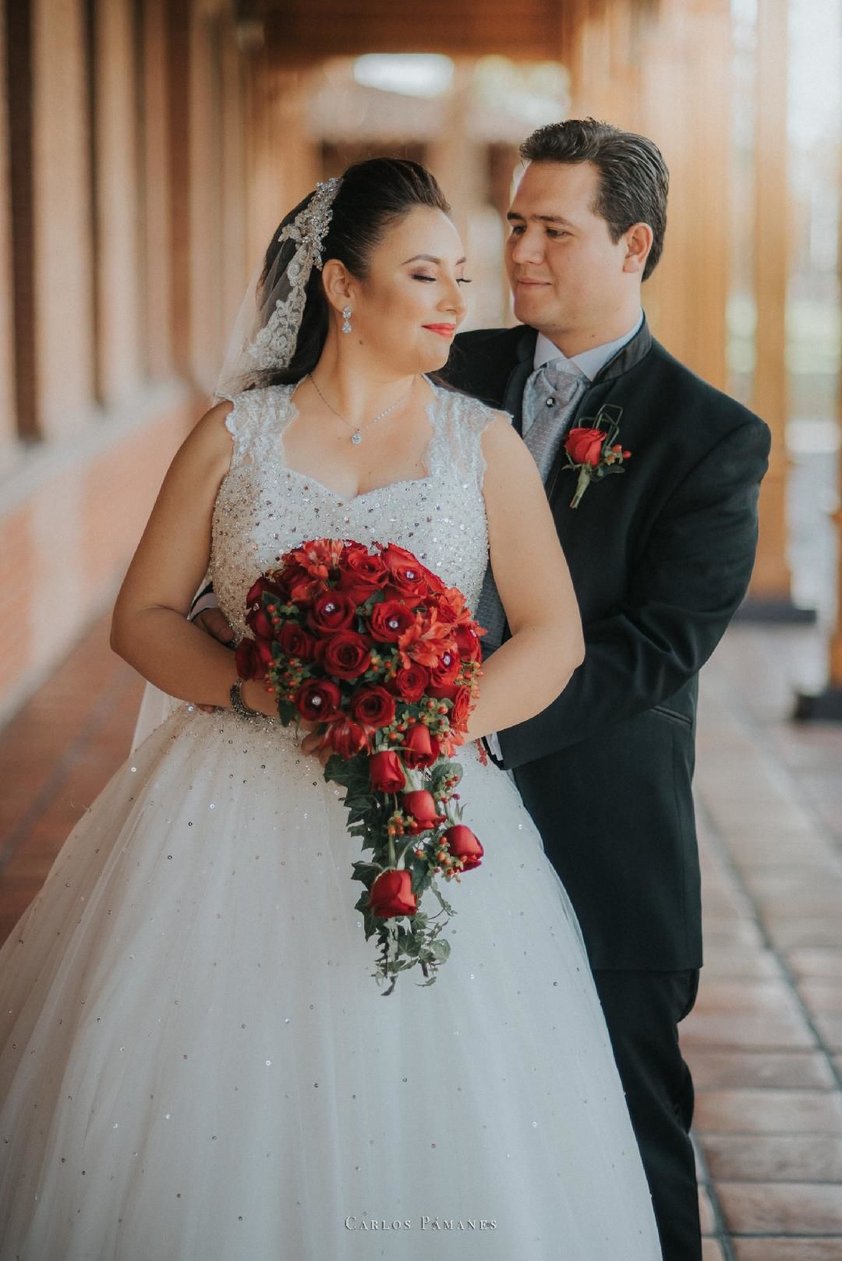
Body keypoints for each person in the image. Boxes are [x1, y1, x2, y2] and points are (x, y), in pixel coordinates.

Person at [0, 158, 663, 1259]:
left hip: (426, 795)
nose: (459, 298)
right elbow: (146, 616)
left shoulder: (478, 443)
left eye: (461, 273)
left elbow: (552, 634)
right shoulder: (234, 435)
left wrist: (440, 723)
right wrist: (251, 686)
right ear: (343, 290)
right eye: (425, 272)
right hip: (221, 807)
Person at [443, 120, 771, 1261]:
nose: (518, 252)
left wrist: (474, 730)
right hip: (416, 805)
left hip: (595, 821)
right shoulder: (445, 368)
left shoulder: (711, 438)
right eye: (512, 225)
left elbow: (659, 645)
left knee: (631, 1125)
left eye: (551, 230)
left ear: (631, 245)